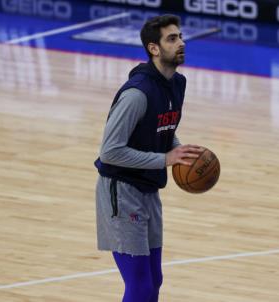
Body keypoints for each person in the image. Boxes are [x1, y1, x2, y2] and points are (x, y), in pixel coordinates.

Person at [94, 14, 203, 302]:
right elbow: (110, 151)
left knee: (154, 279)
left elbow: (164, 129)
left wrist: (180, 151)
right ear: (154, 48)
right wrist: (166, 159)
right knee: (140, 284)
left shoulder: (177, 83)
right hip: (121, 190)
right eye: (172, 38)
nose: (181, 42)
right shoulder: (136, 94)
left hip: (149, 188)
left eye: (180, 36)